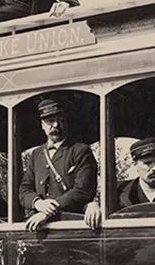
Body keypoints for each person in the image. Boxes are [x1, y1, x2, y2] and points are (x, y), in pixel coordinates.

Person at [18, 98, 99, 231]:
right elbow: (24, 190)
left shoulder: (79, 150)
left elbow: (83, 190)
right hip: (38, 226)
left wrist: (48, 210)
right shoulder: (36, 154)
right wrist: (38, 203)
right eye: (50, 121)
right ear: (42, 125)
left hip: (69, 225)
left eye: (60, 120)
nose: (55, 125)